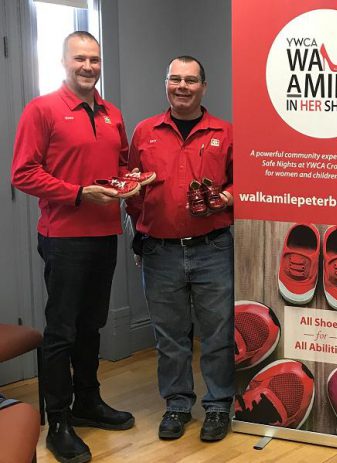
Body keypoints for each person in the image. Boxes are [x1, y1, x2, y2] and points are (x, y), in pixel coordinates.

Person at [11, 31, 134, 463]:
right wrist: (80, 192)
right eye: (80, 59)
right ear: (64, 62)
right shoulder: (41, 109)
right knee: (61, 330)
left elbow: (119, 167)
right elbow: (23, 174)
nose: (88, 66)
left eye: (95, 59)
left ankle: (88, 401)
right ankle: (59, 421)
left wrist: (132, 182)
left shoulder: (113, 113)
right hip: (62, 237)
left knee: (91, 326)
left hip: (105, 236)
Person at [126, 55, 235, 442]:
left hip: (213, 247)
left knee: (218, 334)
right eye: (176, 79)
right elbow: (132, 187)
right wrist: (141, 232)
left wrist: (225, 198)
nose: (183, 87)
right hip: (160, 252)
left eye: (191, 80)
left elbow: (245, 184)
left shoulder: (225, 131)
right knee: (169, 336)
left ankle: (220, 406)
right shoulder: (144, 132)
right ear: (166, 84)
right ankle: (177, 405)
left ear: (204, 87)